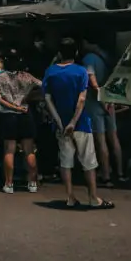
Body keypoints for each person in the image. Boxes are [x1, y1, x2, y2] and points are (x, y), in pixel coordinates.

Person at [43, 38, 114, 209]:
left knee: (65, 162)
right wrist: (73, 122)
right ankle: (93, 198)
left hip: (61, 125)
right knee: (88, 162)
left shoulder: (50, 72)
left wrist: (60, 122)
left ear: (59, 53)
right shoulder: (81, 71)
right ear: (75, 53)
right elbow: (81, 99)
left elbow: (47, 99)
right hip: (80, 123)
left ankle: (70, 197)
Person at [0, 47, 41, 193]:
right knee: (29, 150)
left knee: (9, 151)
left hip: (8, 116)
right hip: (25, 115)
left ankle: (9, 184)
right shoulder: (27, 77)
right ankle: (32, 183)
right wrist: (29, 98)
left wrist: (14, 107)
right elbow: (44, 86)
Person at [81, 39, 126, 187]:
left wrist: (102, 101)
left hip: (96, 104)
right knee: (114, 137)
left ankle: (106, 175)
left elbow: (92, 82)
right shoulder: (106, 57)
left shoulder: (88, 59)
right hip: (110, 102)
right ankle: (120, 173)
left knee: (101, 140)